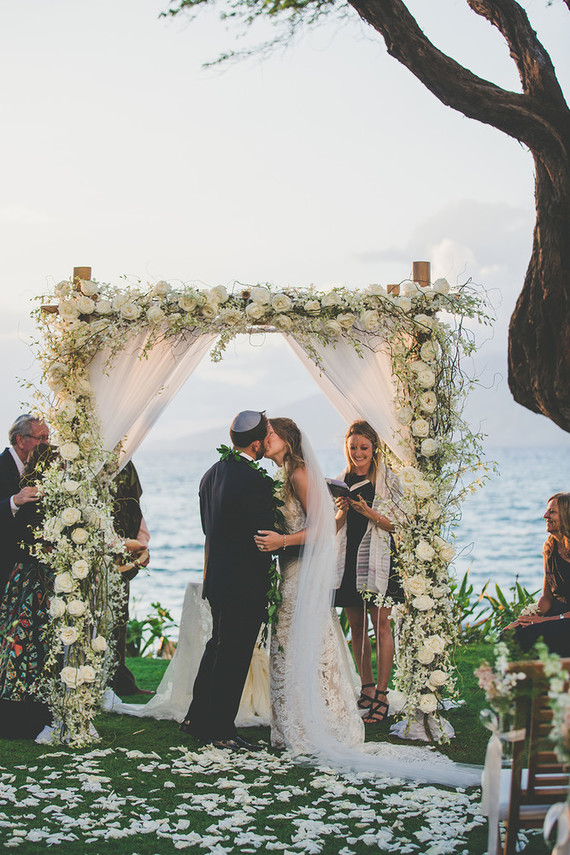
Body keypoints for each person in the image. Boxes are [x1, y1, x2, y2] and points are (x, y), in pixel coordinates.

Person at [254, 417, 364, 752]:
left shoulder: (300, 474)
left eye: (271, 433)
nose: (266, 438)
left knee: (303, 644)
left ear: (287, 439)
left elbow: (323, 530)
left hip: (301, 572)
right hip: (289, 570)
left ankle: (318, 724)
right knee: (290, 646)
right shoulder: (284, 475)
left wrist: (282, 541)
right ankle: (293, 725)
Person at [179, 410, 276, 750]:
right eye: (266, 437)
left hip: (218, 578)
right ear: (256, 443)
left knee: (216, 649)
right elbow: (265, 534)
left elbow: (209, 529)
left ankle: (196, 718)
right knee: (233, 656)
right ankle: (220, 729)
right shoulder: (256, 481)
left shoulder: (210, 474)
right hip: (244, 582)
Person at [333, 420, 404, 726]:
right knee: (357, 627)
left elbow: (398, 523)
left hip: (381, 559)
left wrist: (368, 512)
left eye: (363, 447)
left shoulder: (387, 479)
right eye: (353, 448)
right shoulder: (341, 479)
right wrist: (342, 511)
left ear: (374, 447)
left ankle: (384, 694)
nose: (358, 453)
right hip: (348, 559)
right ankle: (367, 687)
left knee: (382, 625)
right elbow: (333, 528)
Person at [0, 443, 54, 738]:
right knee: (27, 646)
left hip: (21, 578)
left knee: (18, 646)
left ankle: (32, 708)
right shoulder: (36, 497)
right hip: (33, 580)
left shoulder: (28, 491)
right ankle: (23, 716)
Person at [508, 492, 570, 656]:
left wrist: (545, 621)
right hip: (556, 613)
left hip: (566, 619)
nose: (545, 516)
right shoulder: (550, 548)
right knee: (511, 635)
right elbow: (547, 598)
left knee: (531, 634)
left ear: (566, 515)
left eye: (552, 512)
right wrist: (523, 619)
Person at [111, 460, 152, 696]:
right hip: (106, 549)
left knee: (120, 616)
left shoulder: (128, 463)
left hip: (127, 550)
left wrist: (142, 543)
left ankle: (120, 681)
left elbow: (135, 506)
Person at [0, 415, 48, 597]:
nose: (46, 444)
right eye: (41, 438)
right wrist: (14, 501)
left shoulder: (40, 469)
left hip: (28, 574)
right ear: (20, 440)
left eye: (47, 438)